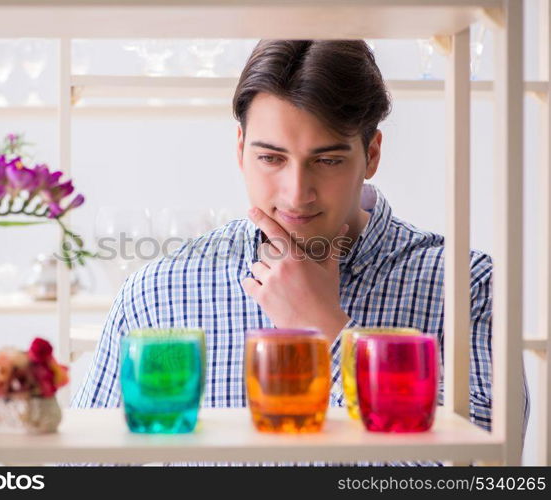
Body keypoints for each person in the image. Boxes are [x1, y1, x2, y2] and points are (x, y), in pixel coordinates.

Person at [72, 40, 529, 465]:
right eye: (271, 158)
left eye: (327, 160)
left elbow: (483, 470)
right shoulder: (160, 292)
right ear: (240, 150)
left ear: (371, 155)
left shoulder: (465, 285)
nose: (296, 194)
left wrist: (326, 331)